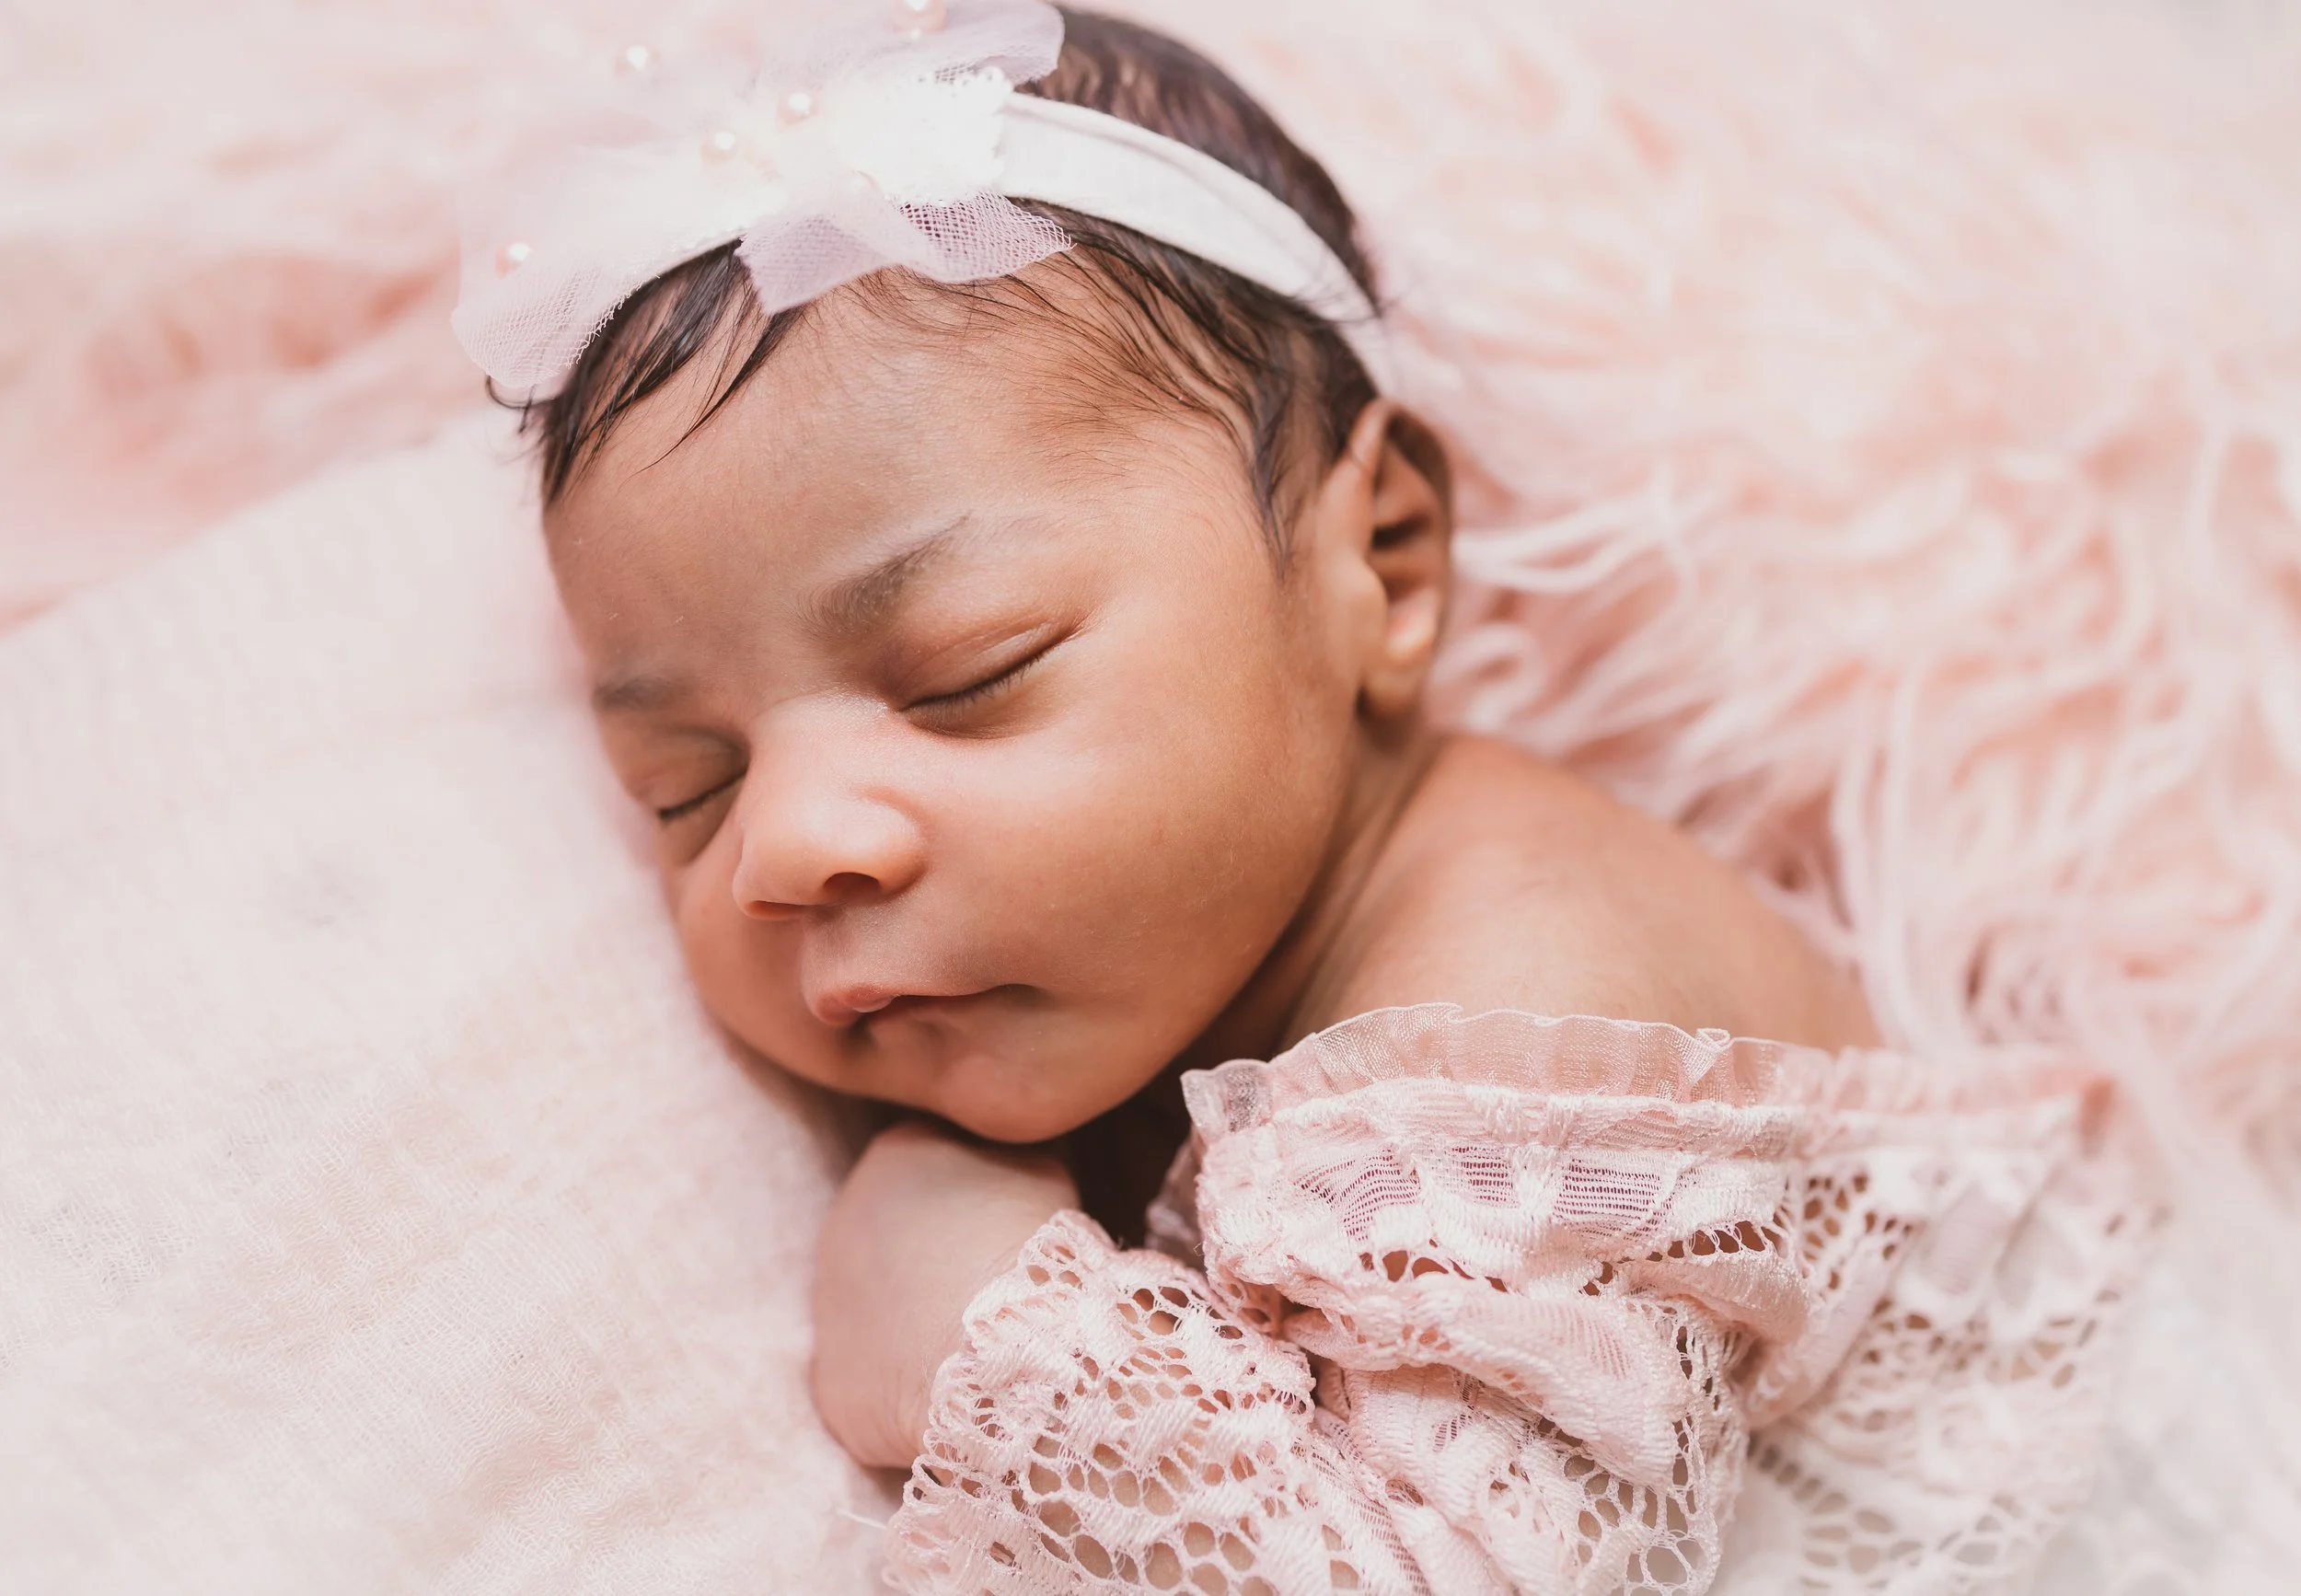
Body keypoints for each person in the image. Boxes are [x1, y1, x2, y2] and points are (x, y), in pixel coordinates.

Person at [452, 4, 2138, 1590]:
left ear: (1379, 563)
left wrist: (991, 1334)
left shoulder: (1519, 992)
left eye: (968, 672)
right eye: (687, 785)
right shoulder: (1214, 970)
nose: (792, 847)